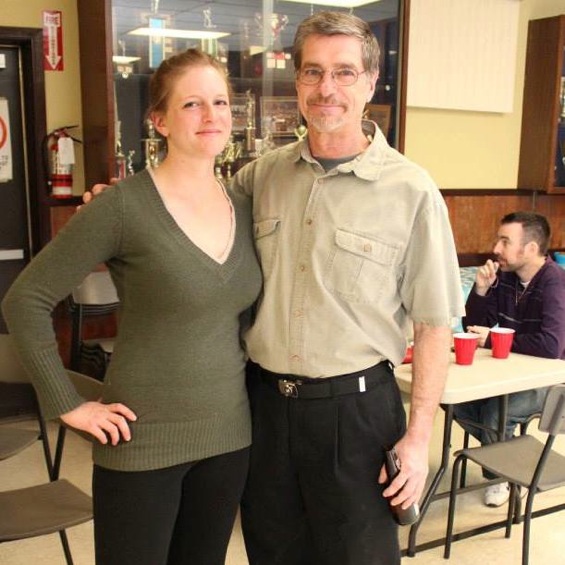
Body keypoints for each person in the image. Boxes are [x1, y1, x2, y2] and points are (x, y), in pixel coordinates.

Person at [84, 12, 464, 565]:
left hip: (357, 415)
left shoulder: (412, 191)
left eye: (344, 72)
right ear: (298, 83)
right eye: (313, 72)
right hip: (263, 410)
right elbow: (186, 211)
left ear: (370, 82)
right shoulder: (258, 177)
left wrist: (419, 436)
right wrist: (119, 206)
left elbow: (433, 324)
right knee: (271, 552)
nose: (327, 88)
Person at [1, 48, 262, 565]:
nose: (210, 115)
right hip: (142, 438)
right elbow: (25, 300)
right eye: (191, 104)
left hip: (229, 436)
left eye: (219, 102)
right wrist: (67, 402)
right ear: (159, 121)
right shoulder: (121, 206)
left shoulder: (244, 204)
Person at [453, 211, 565, 508]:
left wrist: (493, 339)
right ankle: (509, 460)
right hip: (509, 374)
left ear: (530, 248)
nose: (496, 248)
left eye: (505, 241)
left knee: (494, 414)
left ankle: (499, 476)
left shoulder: (554, 282)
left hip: (552, 380)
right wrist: (480, 290)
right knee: (454, 401)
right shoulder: (504, 277)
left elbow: (552, 346)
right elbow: (474, 329)